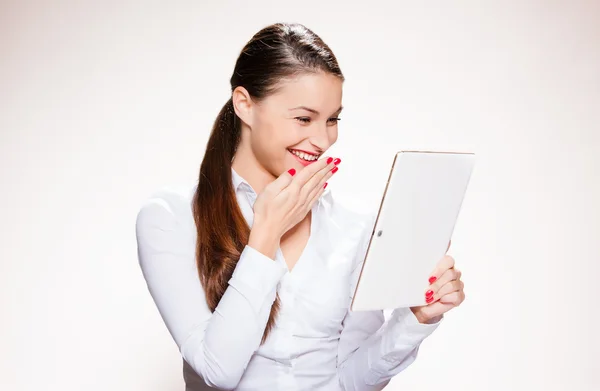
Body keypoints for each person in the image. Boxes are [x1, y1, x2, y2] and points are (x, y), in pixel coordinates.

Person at [135, 22, 465, 391]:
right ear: (244, 104)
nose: (323, 139)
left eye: (333, 119)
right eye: (304, 118)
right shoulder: (171, 217)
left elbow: (350, 380)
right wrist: (266, 233)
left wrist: (415, 319)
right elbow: (217, 371)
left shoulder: (354, 224)